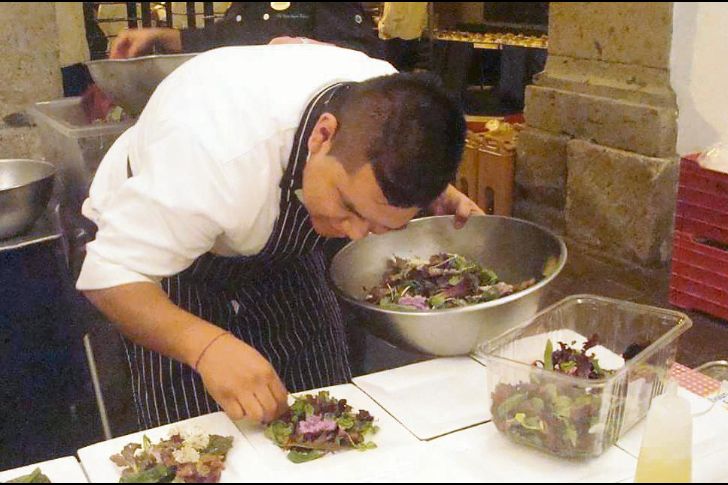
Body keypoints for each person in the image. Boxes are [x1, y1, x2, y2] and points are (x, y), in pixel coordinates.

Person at [76, 43, 482, 430]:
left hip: (272, 245)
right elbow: (108, 277)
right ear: (322, 135)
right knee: (203, 431)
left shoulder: (391, 103)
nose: (358, 236)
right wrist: (206, 347)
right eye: (350, 208)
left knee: (325, 404)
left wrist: (432, 194)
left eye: (378, 225)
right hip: (166, 260)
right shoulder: (210, 156)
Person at [109, 2, 384, 60]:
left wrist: (302, 46)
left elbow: (361, 54)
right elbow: (227, 37)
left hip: (303, 135)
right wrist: (159, 36)